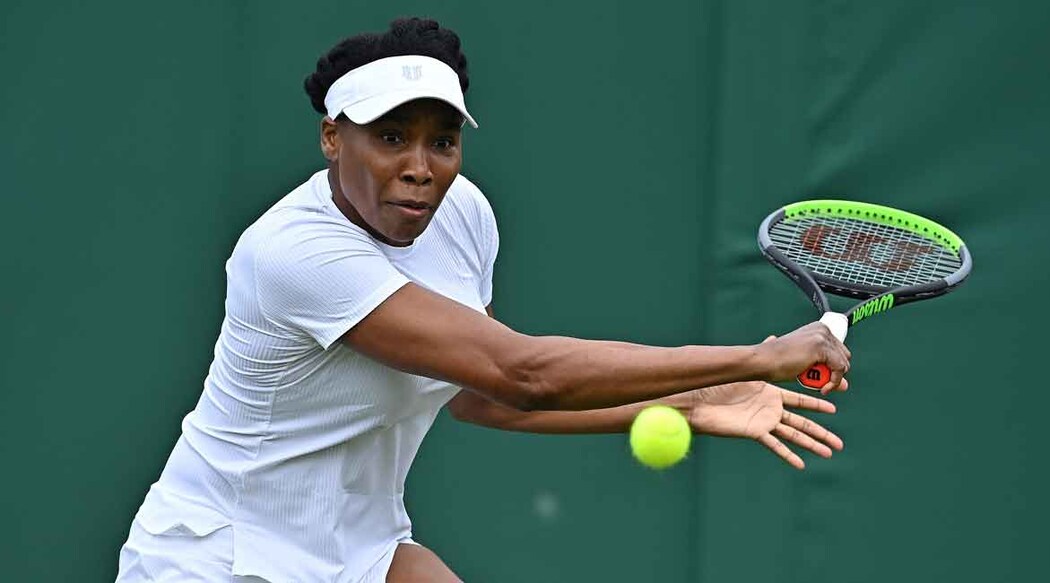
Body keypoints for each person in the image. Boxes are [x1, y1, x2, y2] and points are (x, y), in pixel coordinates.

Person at [116, 17, 850, 583]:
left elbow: (479, 395)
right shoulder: (293, 253)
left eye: (442, 142)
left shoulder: (462, 214)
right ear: (332, 139)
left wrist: (689, 401)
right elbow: (521, 373)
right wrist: (756, 357)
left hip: (358, 550)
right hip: (221, 556)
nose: (420, 167)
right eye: (390, 137)